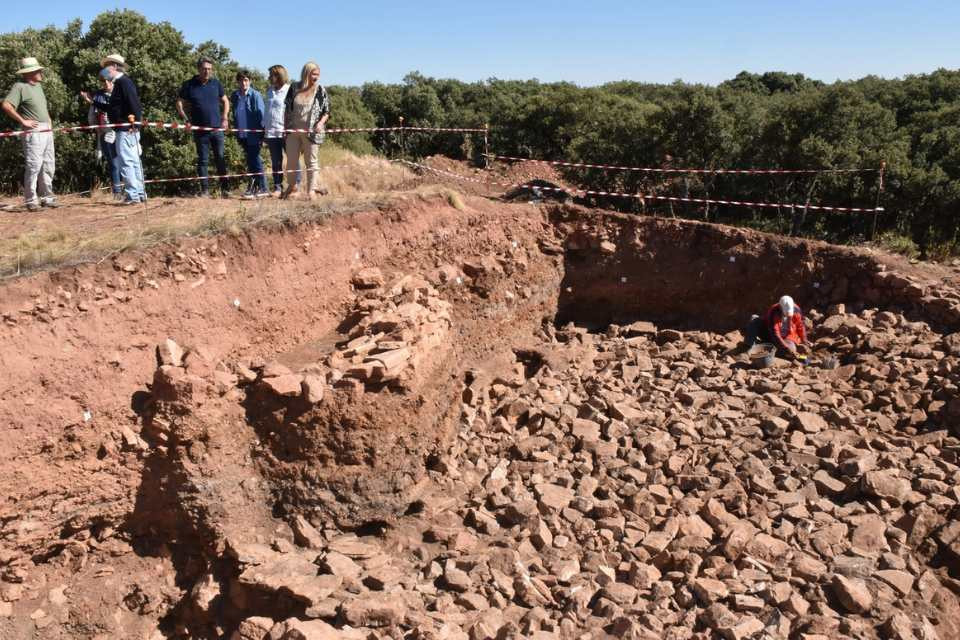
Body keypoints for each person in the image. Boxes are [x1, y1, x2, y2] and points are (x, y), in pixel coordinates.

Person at [1, 57, 58, 211]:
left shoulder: (38, 87)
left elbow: (43, 108)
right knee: (34, 166)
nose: (40, 72)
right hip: (34, 131)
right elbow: (6, 105)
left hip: (46, 129)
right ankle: (31, 200)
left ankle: (47, 197)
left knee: (48, 164)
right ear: (29, 73)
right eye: (37, 71)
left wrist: (49, 123)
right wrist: (23, 121)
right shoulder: (19, 87)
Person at [177, 58, 230, 197]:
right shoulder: (189, 85)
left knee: (220, 158)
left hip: (217, 129)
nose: (207, 71)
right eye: (205, 68)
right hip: (200, 131)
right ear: (199, 69)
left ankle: (225, 190)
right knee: (203, 160)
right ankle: (205, 191)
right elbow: (179, 103)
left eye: (210, 69)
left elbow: (225, 101)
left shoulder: (216, 83)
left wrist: (225, 118)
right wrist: (186, 120)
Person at [101, 54, 146, 205]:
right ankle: (139, 193)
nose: (104, 70)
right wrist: (96, 103)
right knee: (133, 162)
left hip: (126, 129)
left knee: (127, 162)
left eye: (106, 66)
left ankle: (132, 195)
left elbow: (134, 103)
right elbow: (116, 107)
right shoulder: (121, 83)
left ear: (113, 66)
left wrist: (136, 124)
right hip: (128, 128)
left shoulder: (123, 82)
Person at [282, 62, 330, 200]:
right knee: (291, 161)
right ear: (306, 73)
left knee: (311, 162)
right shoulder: (294, 87)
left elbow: (326, 111)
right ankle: (291, 187)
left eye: (318, 75)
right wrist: (286, 127)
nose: (316, 77)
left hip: (312, 132)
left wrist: (320, 123)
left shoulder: (320, 90)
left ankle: (311, 191)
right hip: (293, 131)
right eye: (313, 74)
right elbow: (287, 107)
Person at [81, 68, 122, 200]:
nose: (106, 84)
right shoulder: (98, 96)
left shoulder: (120, 94)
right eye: (103, 82)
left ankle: (131, 190)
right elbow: (92, 113)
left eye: (108, 81)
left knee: (125, 162)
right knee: (113, 163)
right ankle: (117, 192)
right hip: (105, 134)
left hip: (121, 132)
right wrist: (94, 126)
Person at [230, 69, 267, 199]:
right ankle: (253, 188)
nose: (243, 83)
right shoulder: (235, 96)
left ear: (250, 81)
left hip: (254, 134)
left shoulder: (256, 95)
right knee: (250, 161)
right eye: (241, 80)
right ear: (238, 82)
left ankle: (263, 188)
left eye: (246, 80)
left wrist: (261, 135)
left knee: (256, 160)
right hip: (241, 134)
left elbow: (261, 116)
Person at [743, 295, 810, 359]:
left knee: (792, 350)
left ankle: (765, 346)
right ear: (780, 307)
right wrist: (786, 348)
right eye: (786, 313)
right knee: (755, 320)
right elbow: (775, 333)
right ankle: (748, 347)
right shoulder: (774, 312)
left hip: (787, 337)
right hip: (770, 334)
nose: (788, 315)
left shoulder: (796, 310)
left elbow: (800, 326)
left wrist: (804, 341)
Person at [263, 65, 290, 195]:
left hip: (284, 131)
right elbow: (266, 111)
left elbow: (291, 111)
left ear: (278, 75)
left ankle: (295, 186)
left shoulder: (289, 90)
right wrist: (264, 129)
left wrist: (288, 128)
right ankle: (278, 188)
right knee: (275, 161)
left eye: (271, 75)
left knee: (292, 159)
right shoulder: (269, 91)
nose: (269, 78)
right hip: (271, 132)